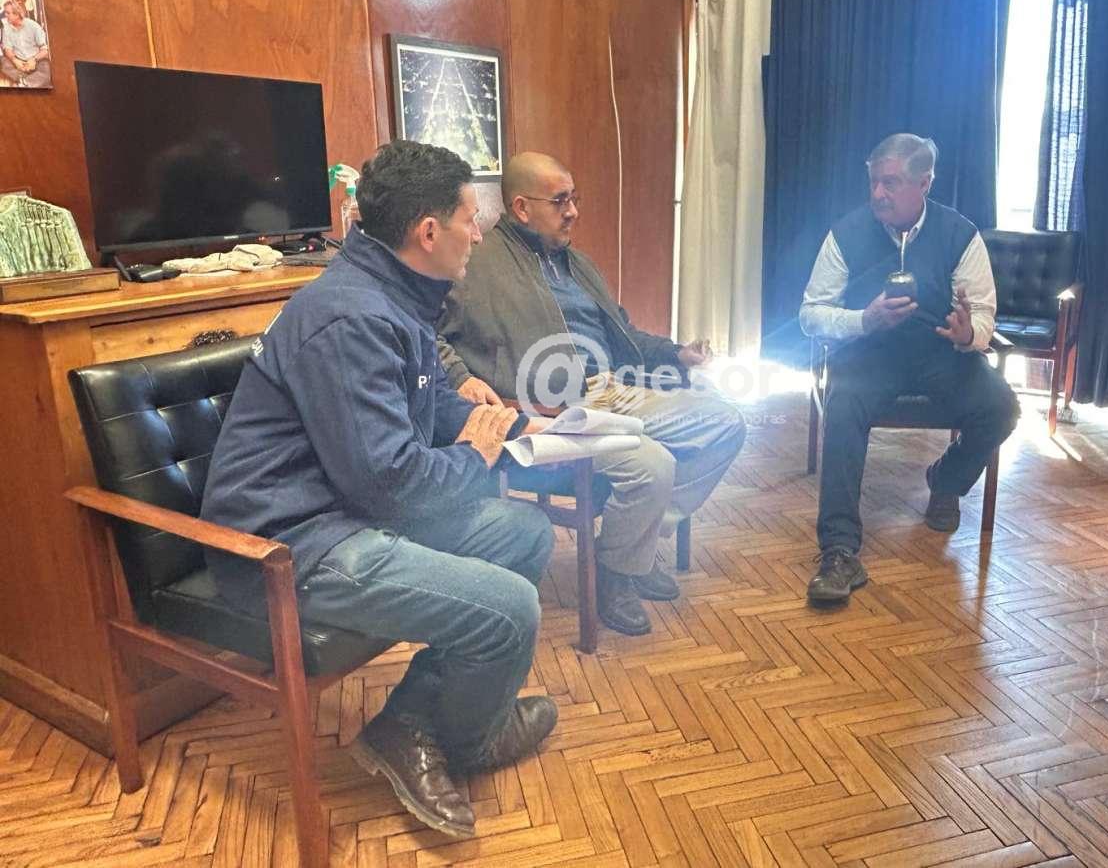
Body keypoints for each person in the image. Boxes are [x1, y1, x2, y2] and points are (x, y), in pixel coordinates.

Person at [200, 141, 558, 840]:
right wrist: (480, 456)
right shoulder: (353, 317)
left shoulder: (393, 294)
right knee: (510, 610)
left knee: (525, 534)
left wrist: (515, 427)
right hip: (289, 545)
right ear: (428, 232)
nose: (478, 233)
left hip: (343, 509)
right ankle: (467, 736)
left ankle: (418, 723)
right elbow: (392, 485)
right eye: (469, 219)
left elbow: (428, 408)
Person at [437, 151, 747, 637]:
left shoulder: (577, 265)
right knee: (652, 465)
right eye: (561, 201)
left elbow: (624, 334)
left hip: (613, 390)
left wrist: (676, 354)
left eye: (574, 199)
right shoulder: (476, 264)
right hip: (548, 411)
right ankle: (619, 571)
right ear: (522, 208)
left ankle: (629, 547)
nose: (573, 212)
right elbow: (424, 333)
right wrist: (460, 376)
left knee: (726, 421)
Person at [800, 133, 1019, 604]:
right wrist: (864, 319)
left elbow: (983, 315)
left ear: (924, 183)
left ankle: (946, 481)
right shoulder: (845, 233)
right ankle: (839, 552)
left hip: (940, 353)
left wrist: (968, 334)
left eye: (891, 183)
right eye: (874, 182)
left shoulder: (959, 234)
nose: (879, 193)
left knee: (1001, 406)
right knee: (843, 406)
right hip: (868, 353)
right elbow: (811, 314)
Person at [1, 0, 51, 88]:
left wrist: (34, 60)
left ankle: (24, 82)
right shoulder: (6, 28)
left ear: (17, 14)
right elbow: (7, 49)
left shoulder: (33, 26)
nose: (5, 15)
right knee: (3, 63)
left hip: (36, 60)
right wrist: (15, 60)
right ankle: (29, 81)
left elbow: (45, 50)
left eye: (8, 13)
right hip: (18, 60)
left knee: (46, 68)